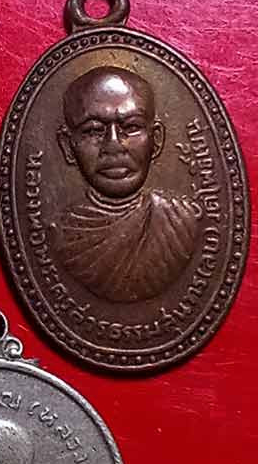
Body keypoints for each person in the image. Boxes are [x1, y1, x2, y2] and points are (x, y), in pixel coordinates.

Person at [56, 66, 202, 303]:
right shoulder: (59, 236)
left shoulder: (181, 222)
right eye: (93, 130)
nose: (113, 145)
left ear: (156, 140)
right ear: (67, 146)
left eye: (131, 127)